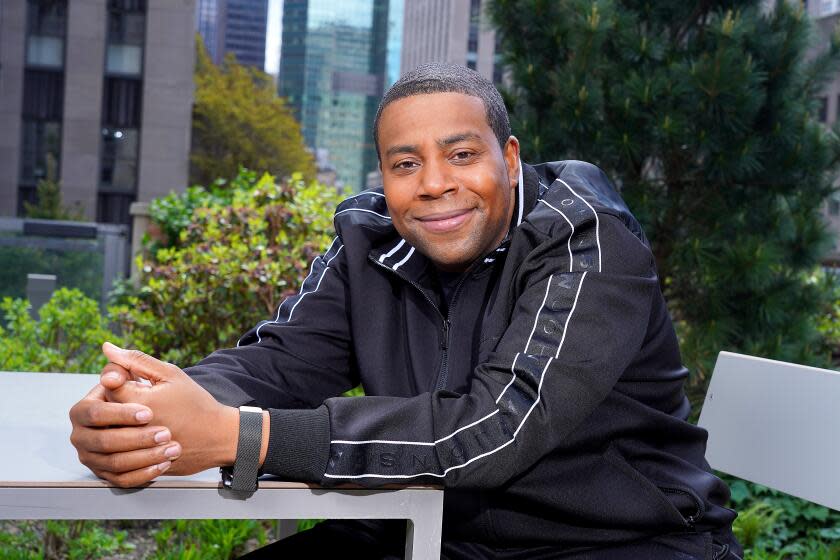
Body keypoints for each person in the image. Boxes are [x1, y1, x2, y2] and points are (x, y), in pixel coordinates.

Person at [69, 63, 742, 559]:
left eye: (461, 154)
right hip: (428, 527)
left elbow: (497, 426)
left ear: (509, 159)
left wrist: (242, 438)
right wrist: (149, 412)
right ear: (383, 175)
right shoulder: (369, 240)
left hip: (618, 542)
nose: (435, 184)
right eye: (405, 163)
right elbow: (279, 362)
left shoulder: (586, 239)